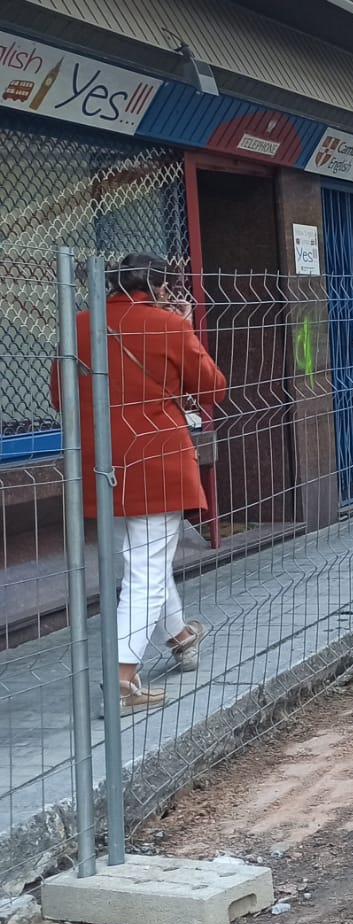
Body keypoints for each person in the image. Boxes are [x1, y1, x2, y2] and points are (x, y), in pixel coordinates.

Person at [52, 254, 226, 714]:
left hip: (101, 458)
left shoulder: (81, 323)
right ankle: (122, 678)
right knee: (147, 571)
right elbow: (213, 388)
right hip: (158, 460)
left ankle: (179, 635)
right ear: (163, 288)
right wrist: (186, 329)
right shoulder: (168, 325)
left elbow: (58, 395)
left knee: (139, 565)